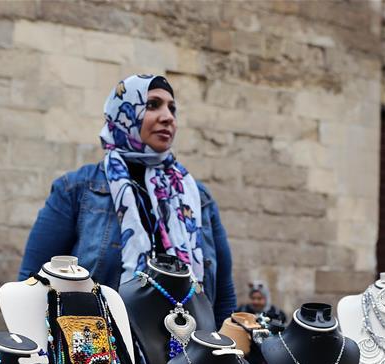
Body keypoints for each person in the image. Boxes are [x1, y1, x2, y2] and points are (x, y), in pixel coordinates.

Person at [18, 74, 236, 326]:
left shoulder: (197, 198)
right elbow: (31, 284)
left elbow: (223, 297)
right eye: (152, 105)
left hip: (186, 343)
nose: (168, 117)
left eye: (172, 108)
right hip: (101, 345)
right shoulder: (76, 189)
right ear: (122, 113)